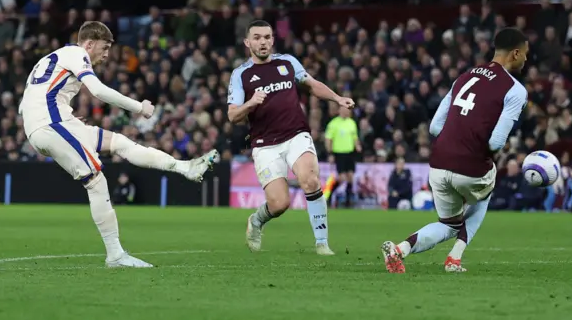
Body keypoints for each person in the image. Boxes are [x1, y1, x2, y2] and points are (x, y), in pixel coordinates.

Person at [19, 21, 219, 268]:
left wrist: (60, 118)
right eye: (103, 48)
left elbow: (25, 103)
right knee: (96, 181)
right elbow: (98, 90)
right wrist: (139, 107)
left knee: (120, 143)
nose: (106, 55)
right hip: (52, 124)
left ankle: (184, 167)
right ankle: (115, 254)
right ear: (89, 43)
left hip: (53, 123)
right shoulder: (77, 53)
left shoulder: (51, 58)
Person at [381, 27, 528, 273]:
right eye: (525, 54)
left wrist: (458, 139)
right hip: (471, 166)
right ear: (514, 53)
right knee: (485, 194)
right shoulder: (515, 90)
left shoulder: (464, 76)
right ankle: (454, 258)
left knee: (449, 224)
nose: (526, 59)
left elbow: (435, 126)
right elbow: (496, 143)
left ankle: (399, 250)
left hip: (438, 163)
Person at [227, 20, 355, 255]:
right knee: (279, 204)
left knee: (310, 179)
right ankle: (256, 221)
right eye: (257, 37)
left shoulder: (287, 62)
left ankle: (322, 243)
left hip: (296, 134)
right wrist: (251, 102)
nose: (263, 42)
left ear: (273, 40)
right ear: (247, 42)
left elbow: (312, 85)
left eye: (267, 37)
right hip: (265, 144)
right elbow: (232, 115)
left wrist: (337, 99)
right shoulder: (241, 75)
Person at [324, 105, 360, 207]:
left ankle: (348, 202)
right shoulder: (334, 123)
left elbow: (355, 137)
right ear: (339, 110)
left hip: (350, 153)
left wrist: (357, 145)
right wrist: (330, 153)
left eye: (347, 110)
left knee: (351, 177)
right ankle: (328, 195)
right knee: (342, 178)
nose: (346, 112)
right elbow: (328, 139)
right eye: (344, 109)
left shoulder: (351, 123)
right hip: (339, 153)